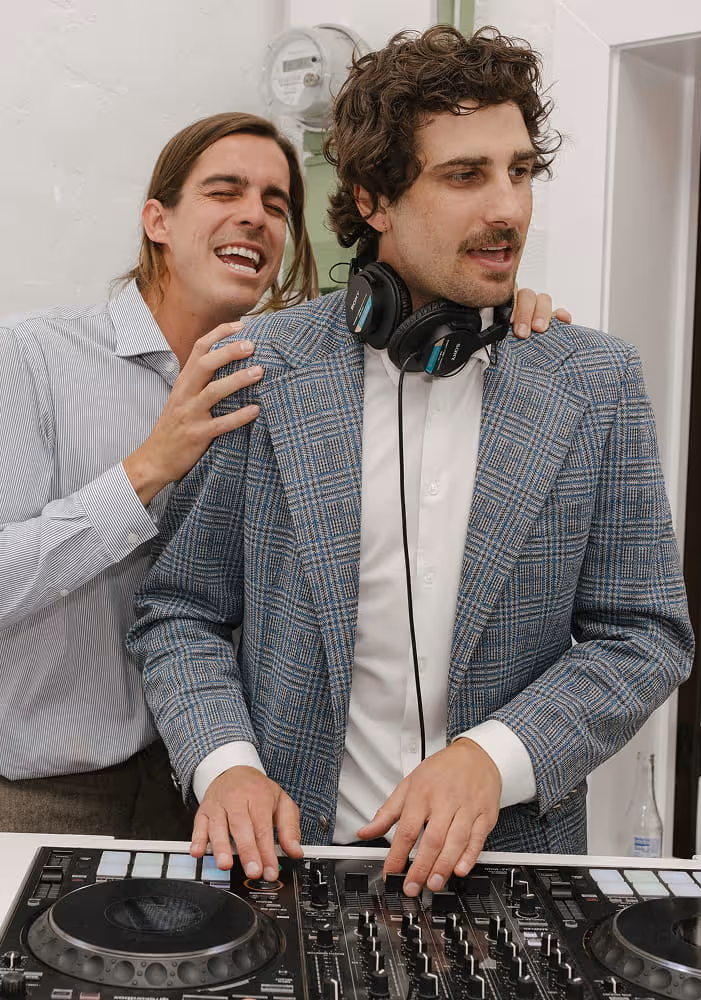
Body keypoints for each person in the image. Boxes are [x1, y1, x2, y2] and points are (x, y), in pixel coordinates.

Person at [131, 26, 693, 890]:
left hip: (513, 869)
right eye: (465, 176)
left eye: (519, 171)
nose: (507, 208)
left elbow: (644, 634)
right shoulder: (260, 365)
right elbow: (181, 611)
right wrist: (225, 764)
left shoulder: (595, 379)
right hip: (285, 865)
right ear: (374, 198)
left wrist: (493, 757)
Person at [0, 108, 564, 838]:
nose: (254, 218)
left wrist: (496, 309)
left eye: (275, 203)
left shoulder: (282, 372)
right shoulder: (32, 359)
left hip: (217, 783)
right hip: (52, 791)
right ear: (157, 220)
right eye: (224, 191)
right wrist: (147, 469)